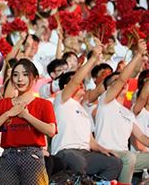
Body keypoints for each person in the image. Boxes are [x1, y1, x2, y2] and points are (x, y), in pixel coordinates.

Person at [51, 39, 123, 181]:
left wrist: (102, 149)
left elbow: (90, 140)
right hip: (66, 152)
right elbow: (76, 80)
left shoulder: (83, 111)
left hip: (86, 153)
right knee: (77, 162)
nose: (81, 84)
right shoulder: (62, 100)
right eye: (75, 83)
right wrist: (93, 58)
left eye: (83, 83)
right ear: (66, 87)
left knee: (114, 162)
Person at [96, 40, 149, 184]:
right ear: (108, 89)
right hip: (107, 153)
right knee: (129, 157)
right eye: (117, 82)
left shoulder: (128, 113)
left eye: (125, 83)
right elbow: (122, 78)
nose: (124, 83)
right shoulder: (105, 101)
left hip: (125, 155)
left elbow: (142, 136)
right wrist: (138, 54)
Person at [0, 58, 57, 185]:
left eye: (25, 75)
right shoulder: (3, 104)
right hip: (8, 157)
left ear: (35, 78)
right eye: (16, 75)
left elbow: (51, 131)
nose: (20, 79)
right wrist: (8, 114)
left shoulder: (43, 104)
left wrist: (26, 116)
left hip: (33, 157)